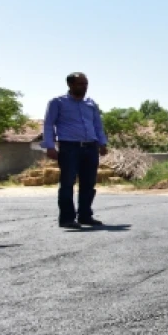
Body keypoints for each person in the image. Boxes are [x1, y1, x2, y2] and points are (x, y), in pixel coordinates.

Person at [41, 72, 108, 228]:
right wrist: (50, 146)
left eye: (86, 84)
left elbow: (97, 125)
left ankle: (85, 215)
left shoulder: (90, 104)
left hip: (90, 147)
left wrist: (102, 143)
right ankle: (67, 218)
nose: (84, 87)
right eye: (80, 84)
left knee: (88, 183)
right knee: (67, 183)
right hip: (69, 147)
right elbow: (49, 124)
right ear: (70, 85)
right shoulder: (57, 102)